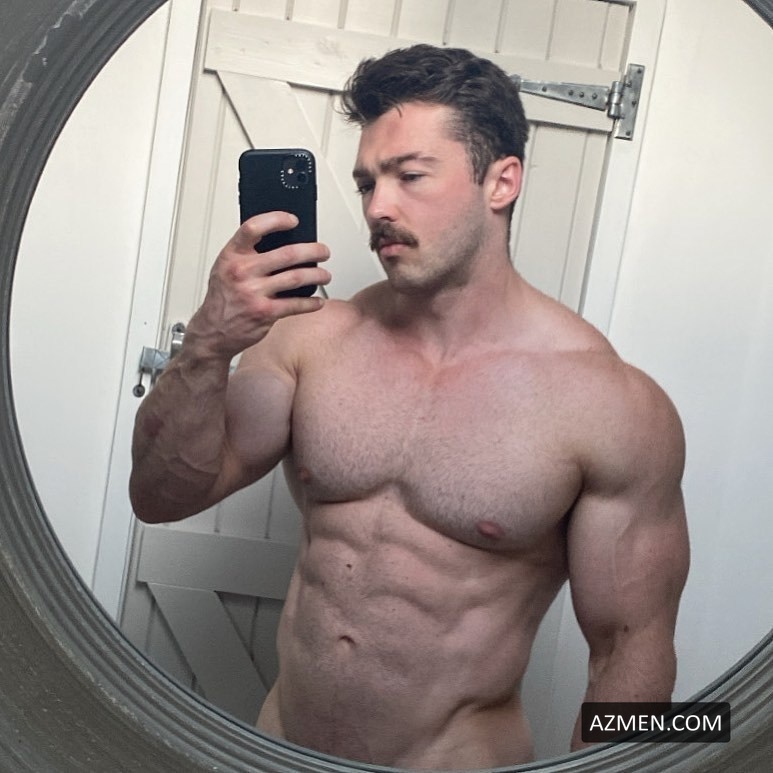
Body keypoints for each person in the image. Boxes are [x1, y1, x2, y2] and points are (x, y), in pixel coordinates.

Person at [130, 44, 690, 769]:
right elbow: (159, 497)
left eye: (409, 176)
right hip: (278, 751)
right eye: (367, 182)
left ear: (501, 182)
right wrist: (208, 342)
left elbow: (630, 651)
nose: (377, 207)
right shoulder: (310, 338)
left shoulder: (609, 404)